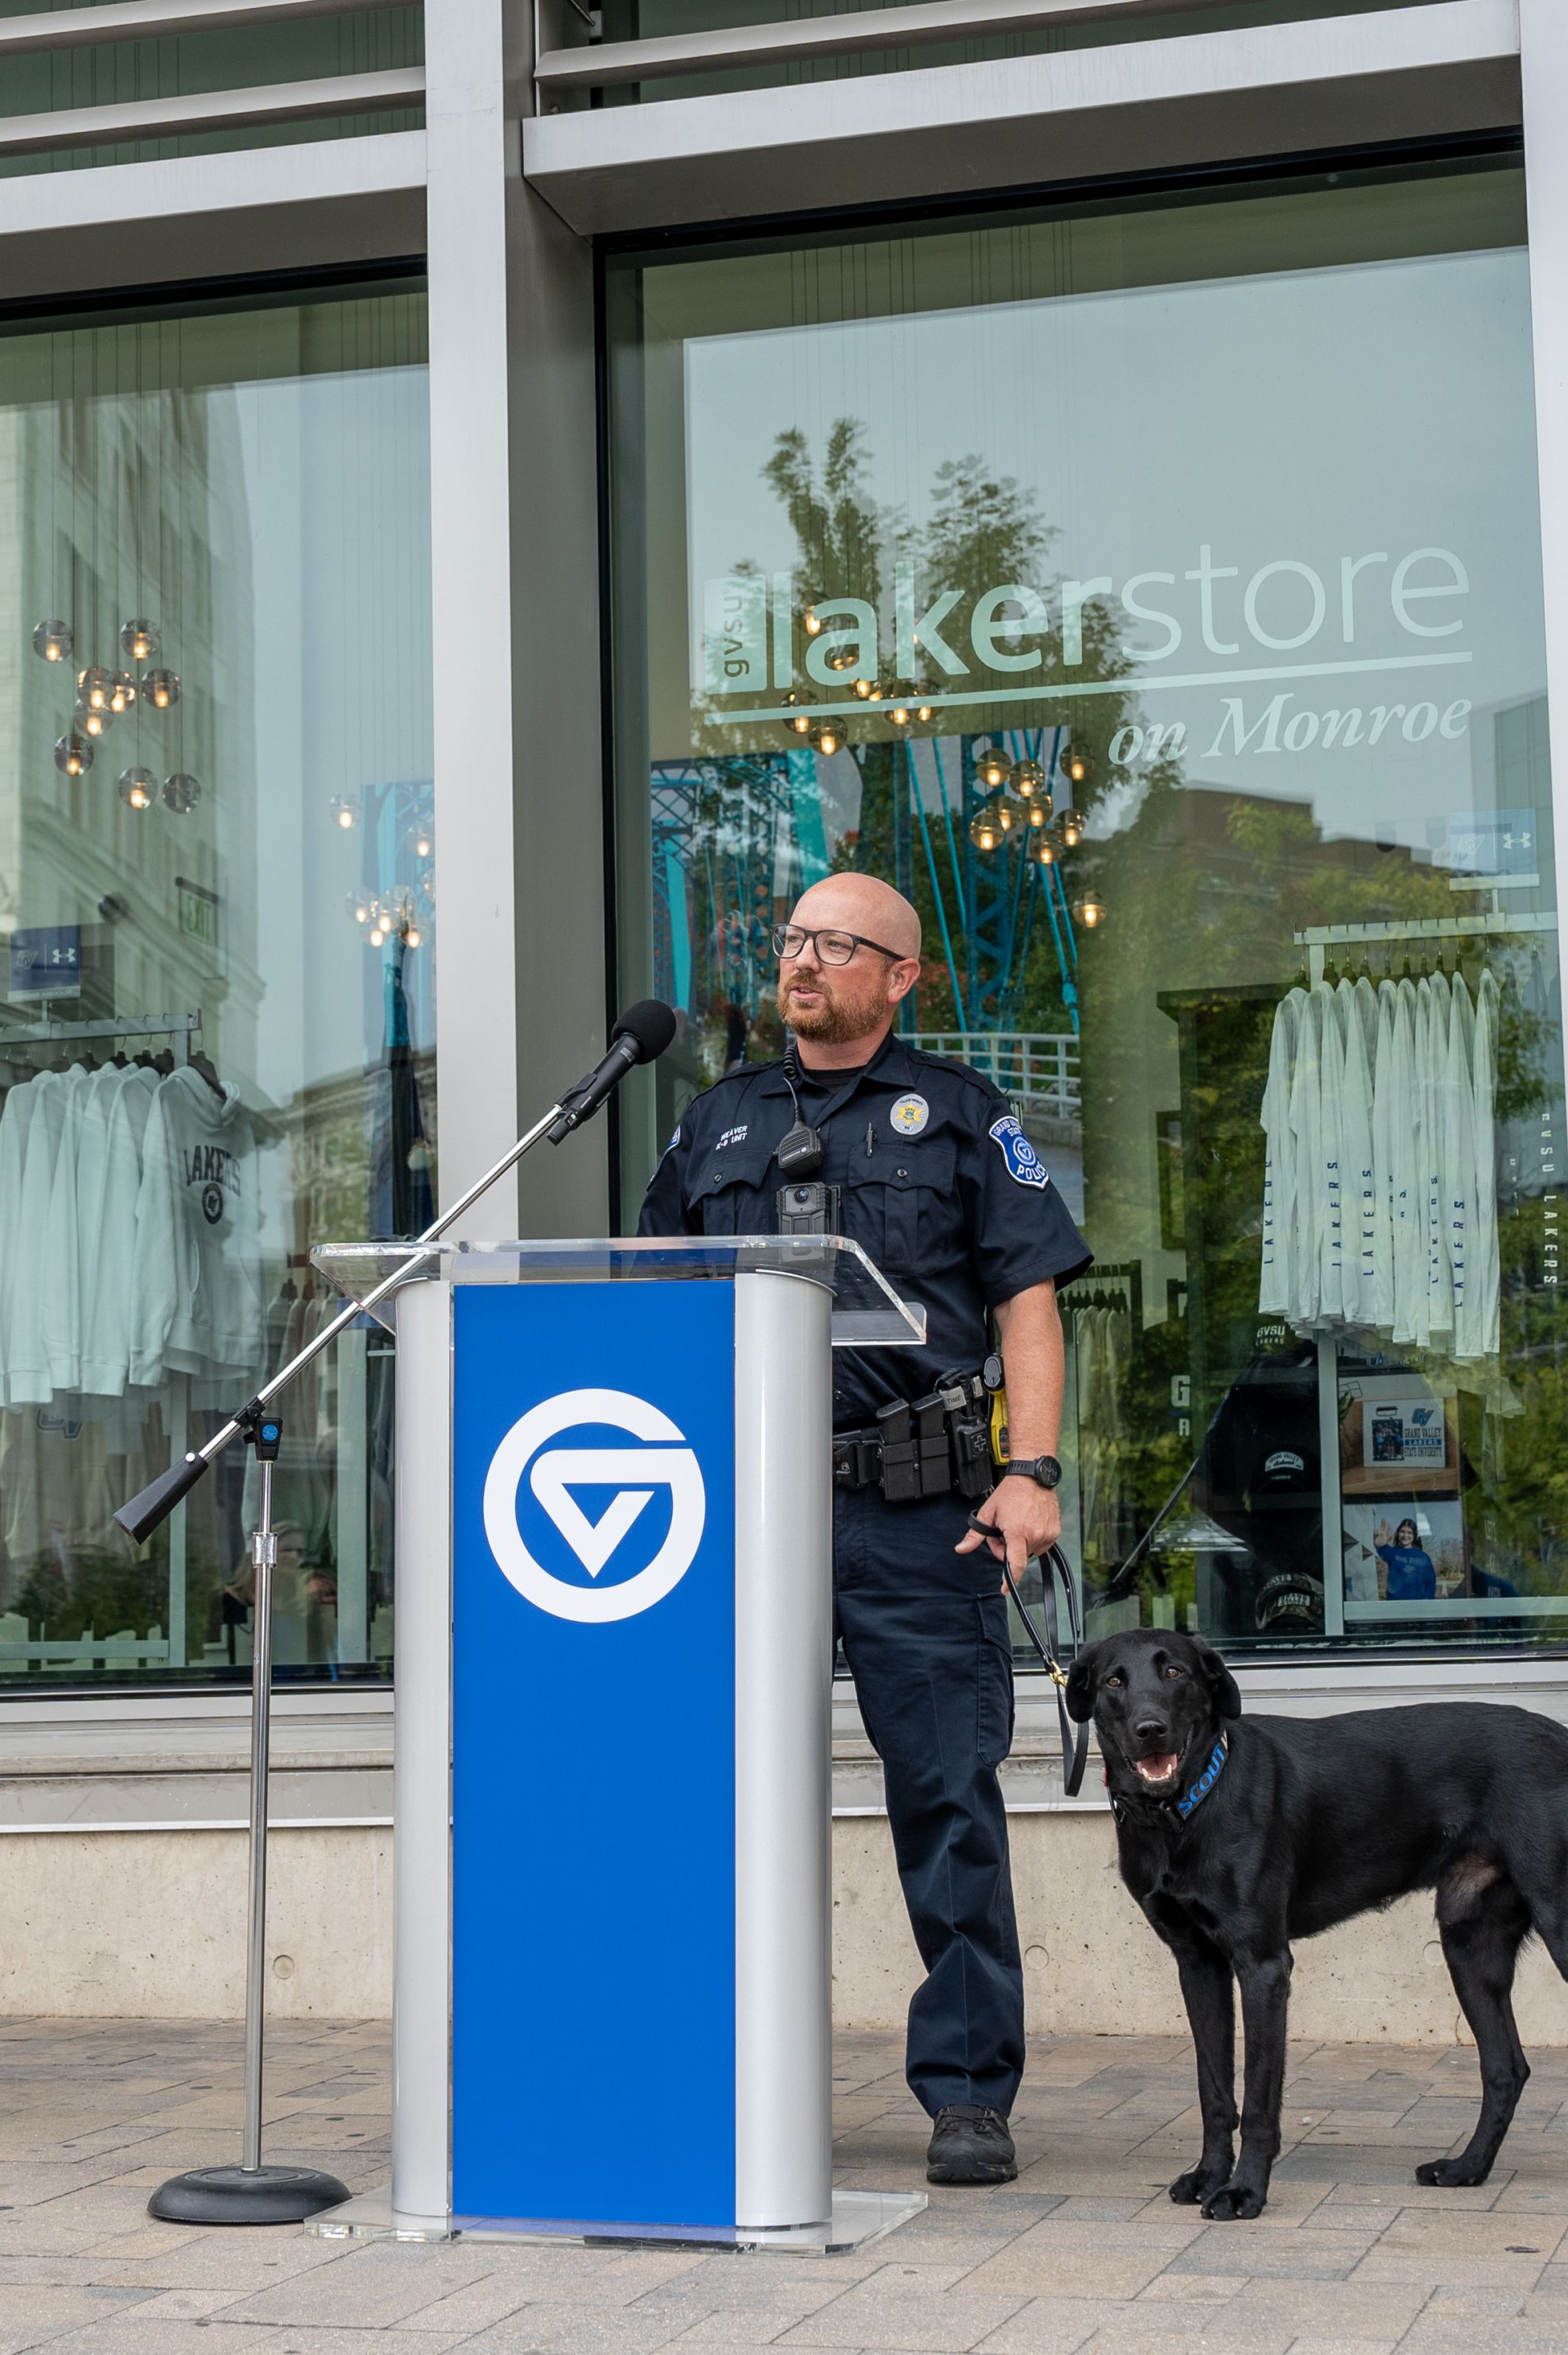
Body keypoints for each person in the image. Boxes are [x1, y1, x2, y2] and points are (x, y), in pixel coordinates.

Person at [639, 870, 1088, 2188]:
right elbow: (654, 1302)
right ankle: (696, 2066)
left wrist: (1032, 1471)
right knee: (704, 1794)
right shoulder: (714, 1122)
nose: (804, 962)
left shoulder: (960, 1116)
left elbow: (1027, 1307)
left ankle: (965, 2093)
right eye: (793, 941)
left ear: (903, 977)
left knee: (946, 1796)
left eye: (838, 945)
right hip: (739, 1516)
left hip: (915, 1511)